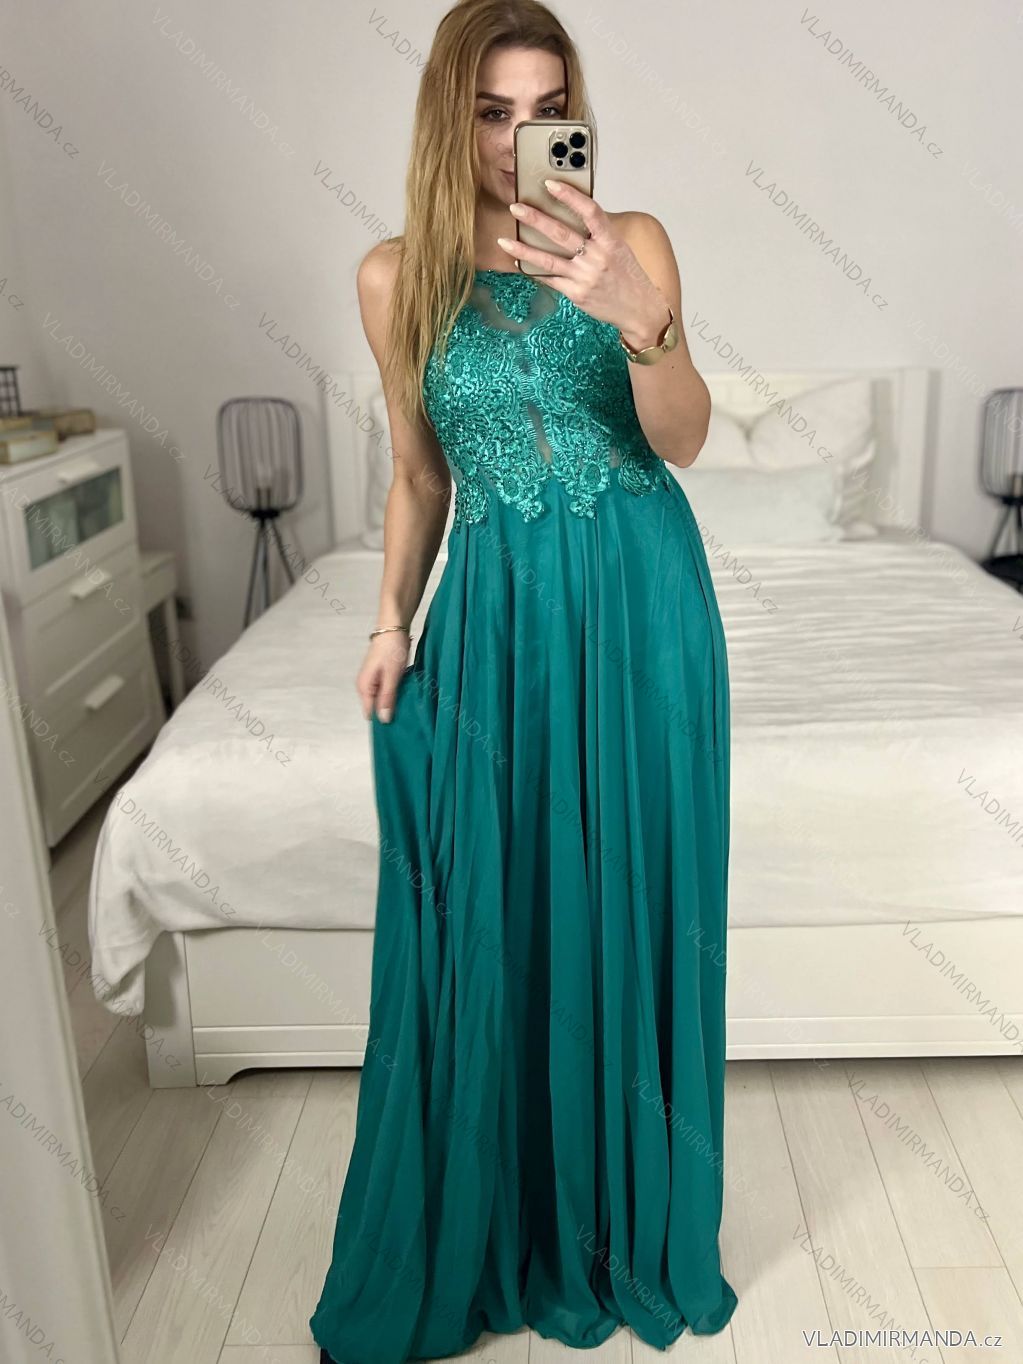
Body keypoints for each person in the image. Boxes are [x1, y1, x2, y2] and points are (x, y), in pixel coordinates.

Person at [310, 2, 737, 1359]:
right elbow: (418, 475)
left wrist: (639, 316)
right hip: (501, 617)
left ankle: (629, 1223)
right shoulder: (396, 278)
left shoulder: (635, 243)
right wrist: (390, 621)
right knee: (505, 905)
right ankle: (516, 1212)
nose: (518, 139)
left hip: (644, 605)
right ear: (451, 117)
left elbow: (685, 441)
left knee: (636, 894)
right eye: (492, 112)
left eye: (547, 110)